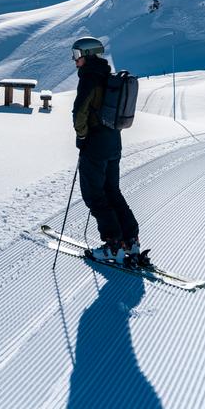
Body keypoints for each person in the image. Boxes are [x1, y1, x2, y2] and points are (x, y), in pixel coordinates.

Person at [71, 36, 140, 264]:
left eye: (77, 55)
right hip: (113, 141)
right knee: (112, 190)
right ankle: (130, 240)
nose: (75, 61)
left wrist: (81, 136)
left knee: (95, 195)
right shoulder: (107, 75)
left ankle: (112, 245)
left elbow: (80, 111)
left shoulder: (90, 77)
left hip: (95, 144)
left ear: (87, 55)